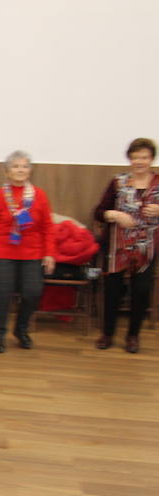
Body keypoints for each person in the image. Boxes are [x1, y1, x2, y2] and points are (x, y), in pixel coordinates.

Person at [0, 151, 57, 352]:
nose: (20, 170)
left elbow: (48, 227)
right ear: (7, 171)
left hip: (33, 254)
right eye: (16, 166)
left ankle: (21, 329)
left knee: (33, 293)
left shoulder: (40, 195)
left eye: (25, 166)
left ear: (31, 170)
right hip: (3, 253)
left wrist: (49, 253)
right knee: (2, 294)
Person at [93, 137, 158, 353]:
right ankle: (107, 333)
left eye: (144, 157)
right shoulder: (118, 182)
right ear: (129, 159)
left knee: (141, 291)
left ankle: (133, 336)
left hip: (146, 248)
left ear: (151, 159)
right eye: (135, 157)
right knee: (112, 291)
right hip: (117, 246)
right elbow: (99, 212)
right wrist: (115, 214)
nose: (140, 161)